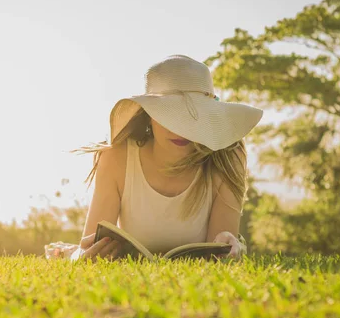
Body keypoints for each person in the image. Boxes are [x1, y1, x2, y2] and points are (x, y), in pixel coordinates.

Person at [74, 55, 263, 261]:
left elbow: (215, 255)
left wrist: (228, 245)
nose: (181, 131)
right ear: (149, 114)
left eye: (194, 116)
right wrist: (85, 255)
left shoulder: (226, 158)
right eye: (170, 116)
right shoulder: (116, 157)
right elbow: (91, 247)